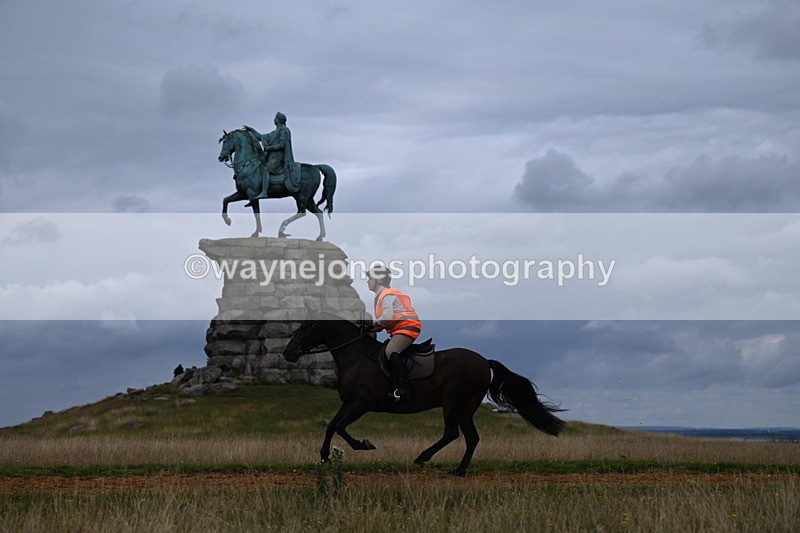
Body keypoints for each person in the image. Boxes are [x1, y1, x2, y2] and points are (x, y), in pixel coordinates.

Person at [366, 263, 421, 400]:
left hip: (408, 327)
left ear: (378, 280)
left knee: (391, 351)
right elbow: (385, 322)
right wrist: (370, 328)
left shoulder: (387, 294)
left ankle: (404, 389)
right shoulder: (380, 297)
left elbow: (387, 317)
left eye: (370, 278)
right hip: (399, 329)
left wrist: (372, 325)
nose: (368, 281)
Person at [242, 112, 300, 196]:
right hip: (271, 156)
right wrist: (252, 130)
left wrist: (270, 148)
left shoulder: (284, 130)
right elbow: (261, 137)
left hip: (278, 157)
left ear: (279, 120)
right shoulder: (275, 132)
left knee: (266, 169)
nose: (274, 120)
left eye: (275, 118)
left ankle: (264, 192)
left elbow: (282, 144)